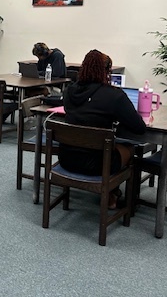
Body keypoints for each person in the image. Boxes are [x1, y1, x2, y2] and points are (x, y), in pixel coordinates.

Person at [61, 49, 146, 208]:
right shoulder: (114, 95)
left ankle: (111, 194)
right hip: (98, 165)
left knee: (105, 147)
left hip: (66, 158)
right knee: (129, 149)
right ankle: (113, 195)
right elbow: (139, 127)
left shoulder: (69, 91)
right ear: (106, 71)